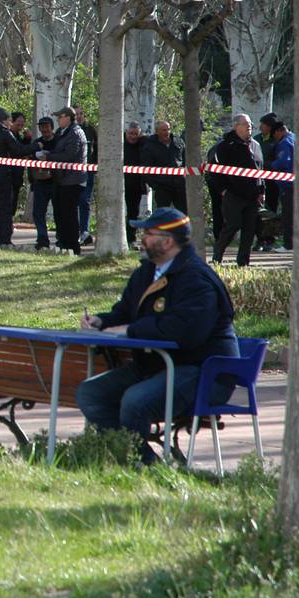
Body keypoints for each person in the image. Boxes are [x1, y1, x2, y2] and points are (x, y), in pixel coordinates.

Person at [76, 208, 239, 464]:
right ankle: (129, 459)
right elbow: (125, 311)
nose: (142, 239)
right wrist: (102, 320)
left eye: (149, 234)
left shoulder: (196, 279)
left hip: (203, 371)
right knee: (91, 393)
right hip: (159, 365)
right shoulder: (147, 272)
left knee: (135, 401)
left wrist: (130, 330)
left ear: (168, 241)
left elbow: (186, 331)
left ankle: (141, 467)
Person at [0, 106, 39, 246]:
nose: (10, 123)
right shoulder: (5, 134)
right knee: (4, 210)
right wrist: (36, 145)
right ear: (4, 120)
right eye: (9, 121)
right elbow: (18, 151)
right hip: (2, 178)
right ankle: (4, 239)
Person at [212, 113, 265, 266]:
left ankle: (243, 262)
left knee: (249, 230)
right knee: (232, 226)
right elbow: (215, 172)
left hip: (253, 196)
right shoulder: (224, 146)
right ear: (236, 126)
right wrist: (223, 190)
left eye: (250, 124)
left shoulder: (256, 145)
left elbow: (260, 171)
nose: (249, 126)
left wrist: (262, 191)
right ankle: (217, 257)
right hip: (233, 195)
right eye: (245, 124)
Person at [39, 107, 87, 254]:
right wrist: (49, 154)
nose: (58, 120)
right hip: (61, 180)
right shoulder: (62, 132)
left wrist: (49, 157)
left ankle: (73, 247)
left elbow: (70, 156)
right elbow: (60, 152)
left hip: (72, 180)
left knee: (69, 216)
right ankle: (64, 245)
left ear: (68, 118)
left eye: (60, 117)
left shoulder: (75, 133)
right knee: (60, 215)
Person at [140, 119, 187, 211]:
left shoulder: (178, 142)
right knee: (163, 216)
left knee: (183, 214)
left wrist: (185, 178)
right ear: (157, 131)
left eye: (168, 129)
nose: (167, 132)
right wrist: (155, 185)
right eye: (164, 130)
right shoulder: (149, 146)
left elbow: (186, 160)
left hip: (180, 185)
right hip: (162, 187)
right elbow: (145, 169)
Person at [256, 112, 281, 250]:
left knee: (271, 211)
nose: (261, 127)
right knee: (258, 212)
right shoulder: (257, 139)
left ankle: (270, 240)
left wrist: (267, 165)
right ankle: (259, 239)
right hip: (258, 181)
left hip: (273, 183)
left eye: (264, 125)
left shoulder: (277, 142)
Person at [269, 119, 294, 252]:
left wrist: (271, 165)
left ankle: (288, 244)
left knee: (288, 215)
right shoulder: (295, 138)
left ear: (280, 131)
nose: (275, 139)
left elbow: (284, 161)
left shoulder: (285, 143)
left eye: (275, 135)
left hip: (288, 185)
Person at [31, 117, 56, 249]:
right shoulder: (37, 143)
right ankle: (42, 240)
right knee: (38, 212)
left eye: (46, 126)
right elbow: (29, 160)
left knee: (58, 212)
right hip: (40, 182)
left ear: (52, 127)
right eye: (42, 127)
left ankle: (60, 239)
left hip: (55, 182)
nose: (44, 129)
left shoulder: (58, 141)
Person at [75, 107, 99, 245]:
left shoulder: (90, 130)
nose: (78, 116)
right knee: (72, 201)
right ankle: (74, 231)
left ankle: (84, 230)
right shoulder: (68, 131)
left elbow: (97, 149)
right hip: (72, 172)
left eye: (80, 113)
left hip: (88, 171)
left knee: (84, 200)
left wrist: (94, 166)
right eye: (76, 114)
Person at [123, 122, 147, 247]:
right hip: (119, 183)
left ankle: (131, 239)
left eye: (135, 134)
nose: (133, 137)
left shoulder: (144, 143)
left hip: (136, 184)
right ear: (126, 133)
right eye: (130, 134)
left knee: (133, 212)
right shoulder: (119, 143)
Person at [8, 112, 33, 216]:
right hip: (9, 174)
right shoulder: (8, 135)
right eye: (18, 124)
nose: (20, 126)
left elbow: (22, 150)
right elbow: (19, 150)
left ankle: (10, 218)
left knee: (14, 199)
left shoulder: (18, 135)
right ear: (11, 122)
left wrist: (27, 139)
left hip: (17, 174)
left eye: (22, 124)